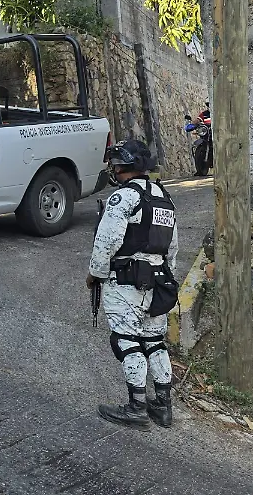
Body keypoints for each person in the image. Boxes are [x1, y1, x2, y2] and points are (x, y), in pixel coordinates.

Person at [88, 139, 180, 430]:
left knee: (127, 341)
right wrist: (167, 275)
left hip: (126, 281)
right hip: (158, 280)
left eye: (114, 165)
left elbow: (107, 241)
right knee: (154, 341)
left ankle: (136, 407)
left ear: (121, 166)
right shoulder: (164, 197)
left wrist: (95, 274)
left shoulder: (124, 197)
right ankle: (163, 406)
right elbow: (172, 246)